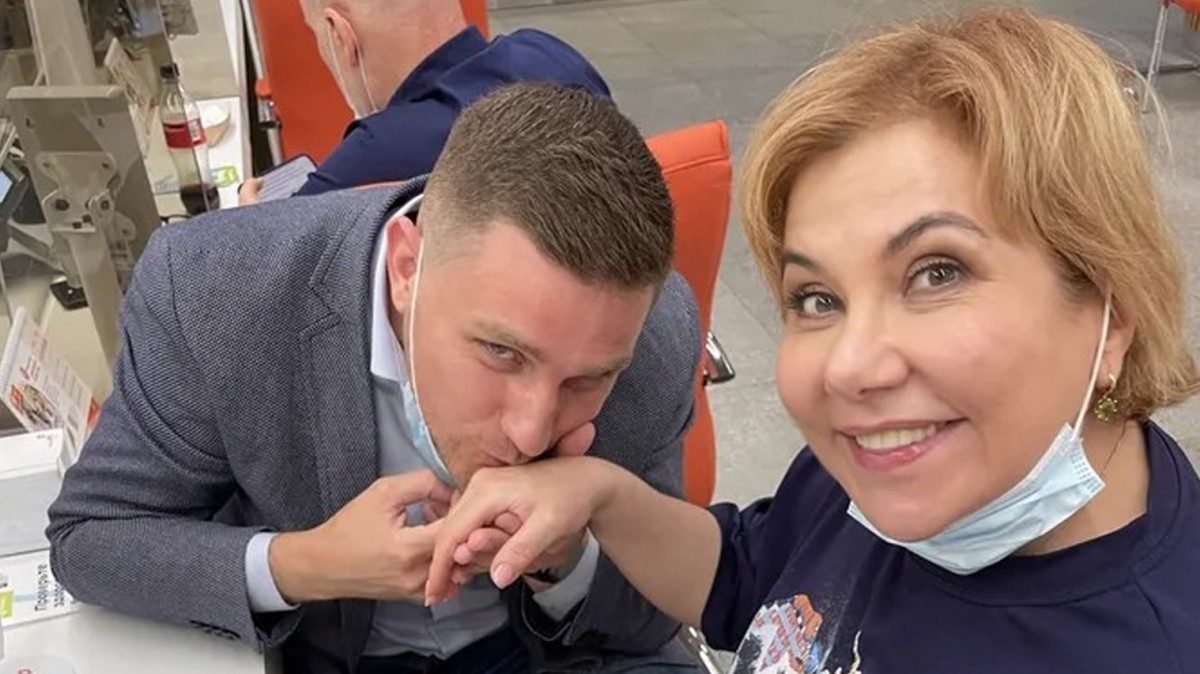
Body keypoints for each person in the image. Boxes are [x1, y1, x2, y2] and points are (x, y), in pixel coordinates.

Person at [427, 9, 1200, 673]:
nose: (850, 368)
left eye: (937, 272)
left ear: (1112, 312)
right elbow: (746, 576)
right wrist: (598, 494)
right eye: (818, 298)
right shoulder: (897, 459)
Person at [48, 84, 703, 674]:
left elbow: (658, 612)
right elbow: (92, 538)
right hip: (323, 650)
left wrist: (566, 561)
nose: (531, 433)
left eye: (586, 381)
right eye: (501, 352)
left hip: (548, 651)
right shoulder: (215, 291)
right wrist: (306, 564)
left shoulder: (655, 332)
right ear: (406, 268)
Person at [238, 0, 610, 203]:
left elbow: (258, 260)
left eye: (316, 33)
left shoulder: (380, 153)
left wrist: (250, 216)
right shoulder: (550, 52)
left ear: (339, 34)